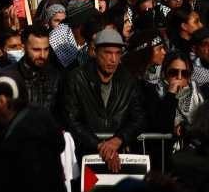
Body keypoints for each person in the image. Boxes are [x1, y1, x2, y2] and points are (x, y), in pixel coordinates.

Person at [59, 28, 146, 171]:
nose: (113, 59)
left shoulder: (128, 80)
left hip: (120, 154)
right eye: (107, 53)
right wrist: (100, 145)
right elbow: (71, 119)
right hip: (84, 156)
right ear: (95, 52)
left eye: (117, 53)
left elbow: (139, 118)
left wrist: (117, 140)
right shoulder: (76, 79)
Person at [4, 24, 62, 115]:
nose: (42, 55)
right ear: (24, 47)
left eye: (46, 49)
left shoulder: (55, 76)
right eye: (36, 50)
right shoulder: (9, 76)